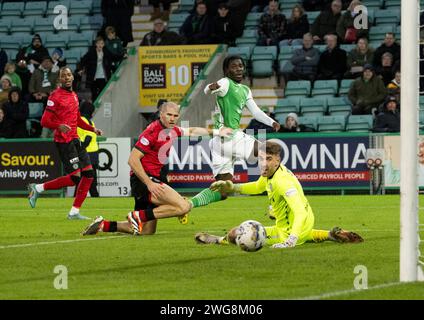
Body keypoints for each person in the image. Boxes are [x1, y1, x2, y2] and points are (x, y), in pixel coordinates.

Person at [81, 102, 227, 236]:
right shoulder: (152, 131)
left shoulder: (173, 130)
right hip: (144, 181)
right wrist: (149, 183)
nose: (172, 118)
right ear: (161, 114)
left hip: (153, 179)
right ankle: (137, 216)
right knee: (183, 206)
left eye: (175, 116)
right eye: (169, 115)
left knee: (146, 231)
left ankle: (103, 225)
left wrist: (216, 132)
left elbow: (192, 130)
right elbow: (132, 159)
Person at [195, 141, 363, 248]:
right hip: (302, 226)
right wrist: (232, 187)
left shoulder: (282, 181)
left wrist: (291, 240)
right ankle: (328, 235)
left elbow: (300, 212)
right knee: (275, 211)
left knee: (236, 233)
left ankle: (218, 240)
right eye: (261, 159)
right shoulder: (271, 174)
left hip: (290, 230)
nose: (263, 164)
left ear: (277, 160)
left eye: (268, 159)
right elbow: (257, 187)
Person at [197, 55, 280, 209]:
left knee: (223, 191)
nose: (239, 69)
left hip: (218, 143)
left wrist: (271, 122)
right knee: (269, 151)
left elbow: (256, 112)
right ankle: (276, 205)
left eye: (241, 66)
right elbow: (207, 89)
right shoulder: (225, 83)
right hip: (230, 136)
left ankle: (187, 204)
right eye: (234, 66)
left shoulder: (245, 90)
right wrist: (211, 87)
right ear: (226, 70)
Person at [27, 67, 103, 220]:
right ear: (60, 80)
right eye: (63, 76)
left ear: (73, 77)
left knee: (88, 175)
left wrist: (92, 129)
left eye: (69, 75)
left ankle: (74, 212)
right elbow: (44, 121)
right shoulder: (55, 96)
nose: (67, 77)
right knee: (75, 178)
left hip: (76, 140)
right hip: (64, 141)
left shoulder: (74, 95)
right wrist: (58, 126)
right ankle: (38, 188)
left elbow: (78, 119)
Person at [78, 36, 113, 101]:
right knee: (94, 95)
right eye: (99, 43)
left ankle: (101, 109)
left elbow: (114, 56)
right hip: (93, 77)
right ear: (96, 44)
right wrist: (80, 69)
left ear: (104, 44)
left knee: (103, 94)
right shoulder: (91, 52)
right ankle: (95, 110)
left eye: (102, 43)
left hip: (103, 77)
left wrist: (122, 55)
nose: (100, 45)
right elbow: (83, 60)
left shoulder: (106, 52)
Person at [77, 100, 100, 197]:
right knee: (91, 178)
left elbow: (87, 138)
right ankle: (95, 196)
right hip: (93, 153)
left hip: (86, 153)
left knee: (83, 178)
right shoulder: (91, 121)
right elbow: (90, 136)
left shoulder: (82, 120)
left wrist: (80, 150)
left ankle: (78, 197)